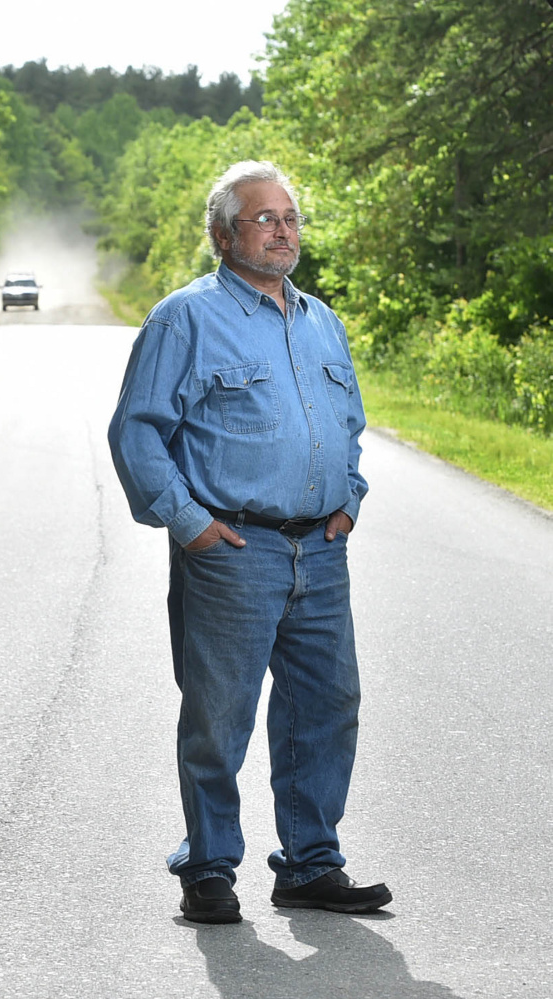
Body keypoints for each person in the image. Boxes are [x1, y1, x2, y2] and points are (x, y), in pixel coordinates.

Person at [108, 160, 391, 924]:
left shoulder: (320, 320)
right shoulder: (184, 318)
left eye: (289, 218)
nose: (281, 230)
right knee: (218, 714)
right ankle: (207, 866)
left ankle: (309, 862)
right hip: (233, 552)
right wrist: (189, 522)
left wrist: (350, 499)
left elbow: (349, 428)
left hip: (321, 551)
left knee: (326, 705)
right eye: (263, 218)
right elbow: (136, 433)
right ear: (221, 234)